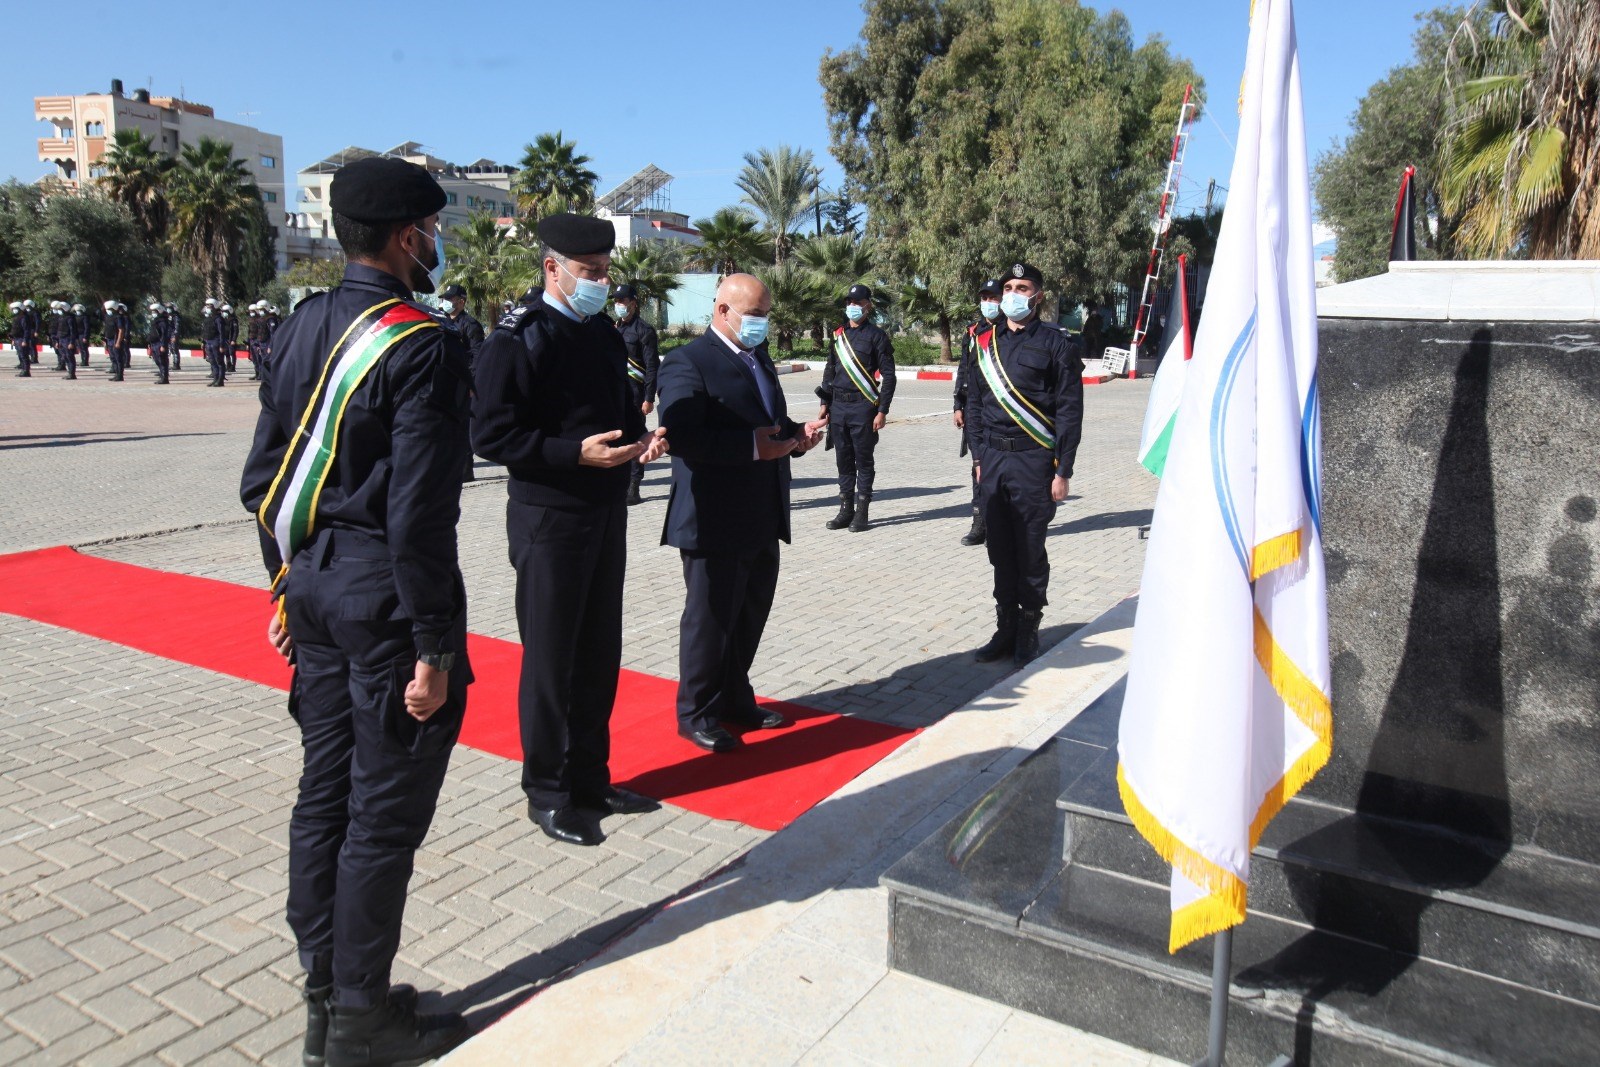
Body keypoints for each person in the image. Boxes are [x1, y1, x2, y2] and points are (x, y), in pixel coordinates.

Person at [239, 155, 473, 1067]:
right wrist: (434, 646)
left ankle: (324, 997)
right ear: (409, 237)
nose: (436, 244)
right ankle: (362, 1019)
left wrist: (284, 584)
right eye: (433, 231)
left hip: (315, 590)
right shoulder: (422, 344)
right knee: (379, 817)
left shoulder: (301, 324)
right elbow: (419, 516)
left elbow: (263, 482)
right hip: (386, 603)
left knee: (322, 798)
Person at [472, 212, 667, 847]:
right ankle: (548, 791)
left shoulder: (602, 333)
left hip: (605, 510)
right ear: (553, 268)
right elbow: (490, 434)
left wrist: (643, 439)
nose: (601, 283)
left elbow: (615, 410)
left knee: (598, 653)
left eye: (606, 272)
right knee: (553, 658)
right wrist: (570, 454)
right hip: (549, 515)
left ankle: (590, 777)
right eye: (589, 272)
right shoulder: (519, 337)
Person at [658, 273, 827, 752]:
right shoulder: (688, 361)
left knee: (750, 613)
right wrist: (751, 448)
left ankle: (735, 698)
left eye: (766, 315)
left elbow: (767, 421)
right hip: (714, 518)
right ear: (722, 311)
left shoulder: (758, 358)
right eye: (754, 315)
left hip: (762, 512)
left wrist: (796, 435)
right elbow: (681, 435)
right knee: (710, 620)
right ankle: (697, 712)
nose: (761, 323)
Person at [962, 262, 1084, 666]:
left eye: (1022, 287)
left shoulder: (1057, 343)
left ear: (1038, 296)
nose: (1013, 294)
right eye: (1009, 288)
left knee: (1030, 549)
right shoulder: (984, 342)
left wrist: (1063, 470)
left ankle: (1029, 630)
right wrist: (978, 457)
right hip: (993, 459)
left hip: (1034, 461)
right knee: (999, 549)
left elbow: (1069, 411)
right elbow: (975, 404)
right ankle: (1006, 628)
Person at [816, 283, 896, 532]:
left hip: (863, 406)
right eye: (849, 302)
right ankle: (845, 510)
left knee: (863, 461)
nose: (852, 306)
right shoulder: (838, 335)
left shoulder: (877, 336)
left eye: (857, 303)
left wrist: (882, 410)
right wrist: (824, 402)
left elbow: (889, 376)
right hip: (838, 406)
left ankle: (862, 512)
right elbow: (830, 369)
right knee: (843, 460)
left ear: (867, 306)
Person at [953, 278, 1003, 546]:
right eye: (985, 298)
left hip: (1002, 408)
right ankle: (979, 523)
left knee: (1002, 467)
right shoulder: (972, 332)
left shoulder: (1010, 330)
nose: (988, 303)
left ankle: (1000, 523)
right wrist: (957, 405)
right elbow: (963, 369)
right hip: (974, 408)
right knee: (978, 467)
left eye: (993, 298)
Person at [613, 283, 660, 506]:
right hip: (616, 394)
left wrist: (649, 398)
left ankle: (634, 485)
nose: (618, 305)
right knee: (617, 437)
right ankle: (620, 481)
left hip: (635, 396)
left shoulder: (644, 330)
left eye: (622, 301)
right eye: (616, 301)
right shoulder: (615, 329)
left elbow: (651, 367)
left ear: (633, 303)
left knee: (635, 438)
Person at [438, 284, 484, 481]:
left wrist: (471, 383)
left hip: (462, 383)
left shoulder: (470, 325)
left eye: (450, 299)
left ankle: (465, 471)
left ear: (461, 301)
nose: (446, 302)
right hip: (444, 380)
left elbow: (477, 354)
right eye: (445, 299)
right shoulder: (441, 322)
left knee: (462, 426)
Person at [103, 301, 127, 382]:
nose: (108, 311)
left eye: (109, 309)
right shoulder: (107, 316)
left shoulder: (118, 317)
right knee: (113, 358)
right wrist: (105, 340)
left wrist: (118, 342)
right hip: (109, 340)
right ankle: (116, 374)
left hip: (115, 340)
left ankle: (120, 375)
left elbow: (121, 330)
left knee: (118, 358)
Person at [147, 303, 169, 384]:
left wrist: (163, 345)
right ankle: (162, 375)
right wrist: (149, 342)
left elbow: (164, 334)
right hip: (154, 343)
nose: (153, 313)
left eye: (154, 311)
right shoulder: (155, 321)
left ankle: (164, 378)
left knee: (162, 361)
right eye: (152, 311)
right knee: (157, 360)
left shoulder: (162, 321)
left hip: (159, 343)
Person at [9, 301, 30, 377]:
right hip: (17, 339)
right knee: (21, 355)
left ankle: (26, 371)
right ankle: (23, 370)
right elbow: (15, 329)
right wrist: (13, 339)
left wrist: (25, 340)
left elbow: (26, 330)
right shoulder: (16, 317)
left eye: (15, 308)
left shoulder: (24, 318)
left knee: (24, 356)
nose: (13, 310)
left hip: (21, 339)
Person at [70, 303, 90, 369]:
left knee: (84, 348)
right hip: (77, 335)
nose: (78, 312)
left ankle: (85, 361)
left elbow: (87, 327)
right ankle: (83, 360)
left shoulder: (85, 317)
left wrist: (85, 336)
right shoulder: (75, 317)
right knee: (80, 348)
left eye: (79, 310)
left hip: (82, 334)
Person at [164, 302, 182, 372]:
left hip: (173, 335)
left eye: (169, 308)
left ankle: (176, 365)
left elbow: (177, 327)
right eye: (167, 308)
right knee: (171, 349)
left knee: (174, 349)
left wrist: (175, 336)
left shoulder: (176, 316)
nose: (168, 309)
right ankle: (174, 364)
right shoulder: (168, 316)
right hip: (169, 334)